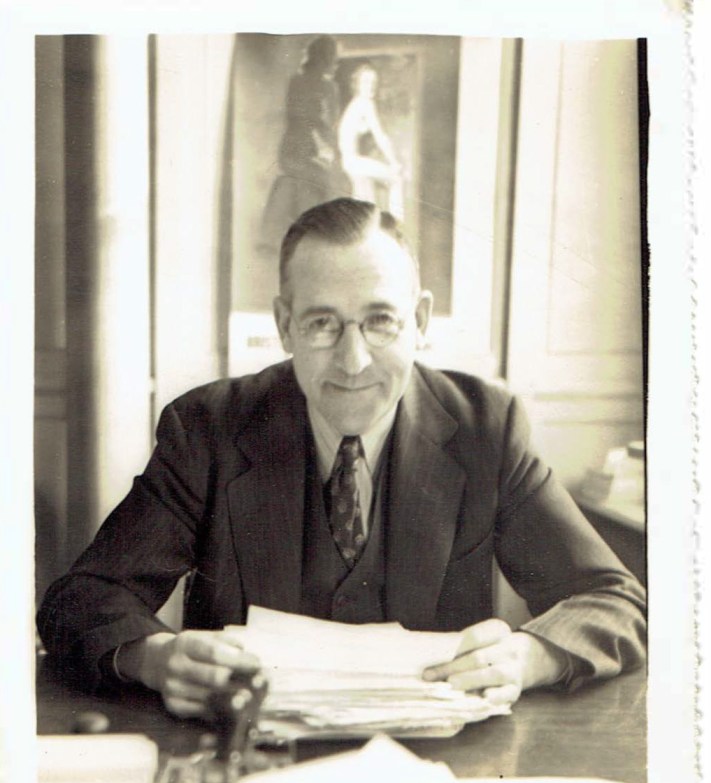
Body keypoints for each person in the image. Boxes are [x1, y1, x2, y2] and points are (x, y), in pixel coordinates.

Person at [38, 198, 646, 721]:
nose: (353, 361)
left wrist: (531, 655)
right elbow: (81, 601)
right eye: (323, 324)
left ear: (421, 321)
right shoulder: (208, 429)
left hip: (436, 772)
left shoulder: (487, 427)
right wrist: (154, 658)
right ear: (284, 325)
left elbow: (615, 600)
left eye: (380, 321)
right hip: (247, 753)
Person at [261, 35, 352, 250]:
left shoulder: (297, 81)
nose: (335, 64)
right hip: (307, 150)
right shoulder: (326, 87)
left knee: (310, 186)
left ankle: (300, 237)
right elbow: (319, 122)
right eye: (333, 58)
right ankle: (315, 240)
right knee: (326, 186)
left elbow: (311, 120)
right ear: (326, 58)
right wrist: (325, 149)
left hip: (293, 150)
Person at [338, 63, 404, 218]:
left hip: (349, 163)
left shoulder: (355, 105)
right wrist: (394, 162)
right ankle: (396, 223)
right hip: (353, 161)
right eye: (366, 82)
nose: (371, 86)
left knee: (366, 209)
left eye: (374, 82)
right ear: (357, 85)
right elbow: (380, 136)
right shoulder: (364, 103)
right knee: (396, 178)